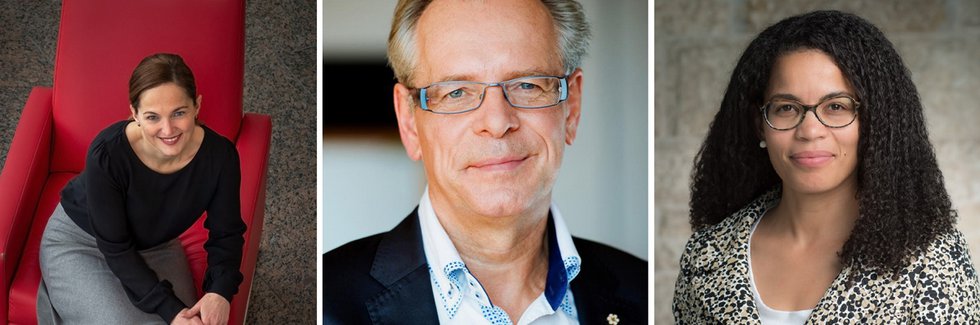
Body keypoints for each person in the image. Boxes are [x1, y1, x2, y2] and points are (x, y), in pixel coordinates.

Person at [322, 0, 647, 324]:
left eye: (527, 85)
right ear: (409, 120)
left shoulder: (645, 294)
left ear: (571, 107)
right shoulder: (323, 302)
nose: (496, 122)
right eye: (457, 92)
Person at [673, 10, 980, 323]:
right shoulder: (707, 255)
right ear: (759, 124)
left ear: (876, 121)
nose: (809, 130)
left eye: (836, 107)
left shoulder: (931, 261)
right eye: (786, 108)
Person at [37, 53, 246, 325]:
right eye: (152, 117)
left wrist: (220, 291)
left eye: (179, 113)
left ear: (197, 106)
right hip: (82, 241)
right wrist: (170, 310)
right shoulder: (108, 153)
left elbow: (227, 233)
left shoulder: (221, 157)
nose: (168, 129)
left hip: (155, 245)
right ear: (134, 114)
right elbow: (116, 249)